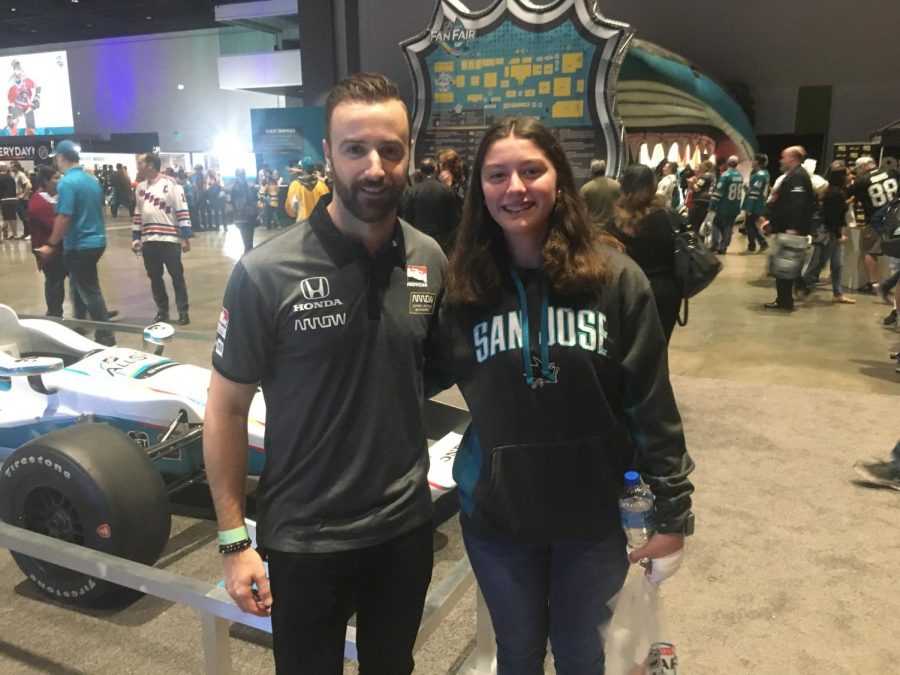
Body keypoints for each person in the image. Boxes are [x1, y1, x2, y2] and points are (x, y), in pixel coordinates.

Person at [203, 72, 449, 675]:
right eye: (355, 148)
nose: (374, 167)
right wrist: (235, 541)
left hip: (402, 532)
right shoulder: (267, 272)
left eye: (390, 150)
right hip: (304, 539)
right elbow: (225, 408)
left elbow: (433, 371)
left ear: (408, 153)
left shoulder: (429, 260)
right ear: (328, 155)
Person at [441, 117, 695, 673]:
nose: (515, 188)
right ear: (478, 189)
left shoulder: (616, 280)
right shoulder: (464, 289)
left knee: (583, 656)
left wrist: (674, 513)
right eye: (497, 174)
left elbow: (652, 405)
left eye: (532, 170)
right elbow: (402, 374)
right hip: (498, 516)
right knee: (519, 653)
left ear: (559, 179)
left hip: (593, 516)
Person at [34, 140, 115, 345]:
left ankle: (106, 335)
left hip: (80, 244)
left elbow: (64, 217)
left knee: (89, 290)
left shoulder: (67, 183)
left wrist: (51, 244)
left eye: (56, 159)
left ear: (62, 157)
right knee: (79, 285)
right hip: (97, 240)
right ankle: (80, 324)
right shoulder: (92, 180)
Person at [607, 164, 685, 342]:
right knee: (659, 348)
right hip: (666, 293)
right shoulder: (669, 218)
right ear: (653, 186)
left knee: (628, 349)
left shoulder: (614, 225)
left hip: (628, 293)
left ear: (624, 186)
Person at [132, 152, 192, 325]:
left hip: (170, 239)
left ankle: (183, 310)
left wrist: (185, 236)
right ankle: (162, 310)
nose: (138, 166)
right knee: (154, 277)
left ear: (150, 164)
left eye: (140, 162)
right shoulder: (140, 188)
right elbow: (138, 213)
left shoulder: (171, 184)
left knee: (176, 276)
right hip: (149, 239)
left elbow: (182, 209)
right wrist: (136, 236)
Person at [764, 145, 814, 311]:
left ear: (792, 158)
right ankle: (789, 295)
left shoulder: (797, 177)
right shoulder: (795, 175)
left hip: (791, 230)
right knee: (785, 267)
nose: (781, 160)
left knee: (785, 268)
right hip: (786, 228)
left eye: (783, 157)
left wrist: (792, 227)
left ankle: (785, 301)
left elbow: (797, 204)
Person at [800, 163, 855, 304]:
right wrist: (838, 235)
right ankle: (800, 287)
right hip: (830, 234)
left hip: (831, 232)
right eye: (848, 174)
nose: (851, 176)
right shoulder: (834, 195)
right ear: (841, 177)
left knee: (836, 264)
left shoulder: (834, 193)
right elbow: (832, 218)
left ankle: (837, 293)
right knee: (819, 264)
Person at [846, 156, 899, 294]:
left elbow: (845, 195)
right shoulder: (891, 173)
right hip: (897, 217)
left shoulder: (861, 181)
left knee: (870, 251)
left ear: (862, 167)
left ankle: (874, 285)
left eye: (858, 169)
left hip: (877, 220)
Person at [28, 165, 69, 317]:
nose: (61, 181)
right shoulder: (37, 203)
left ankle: (94, 312)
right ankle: (54, 316)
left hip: (65, 248)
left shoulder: (59, 197)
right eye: (56, 178)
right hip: (51, 252)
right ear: (45, 181)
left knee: (81, 282)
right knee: (54, 284)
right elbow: (55, 226)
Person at [401, 156, 460, 252]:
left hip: (419, 242)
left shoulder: (412, 191)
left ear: (420, 171)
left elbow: (407, 219)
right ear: (435, 169)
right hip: (443, 243)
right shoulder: (447, 190)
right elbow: (454, 219)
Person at [708, 155, 744, 254]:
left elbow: (718, 192)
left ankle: (714, 245)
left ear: (728, 163)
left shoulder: (725, 175)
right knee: (729, 226)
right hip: (735, 206)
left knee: (716, 224)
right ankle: (723, 247)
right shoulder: (740, 176)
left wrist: (712, 205)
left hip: (724, 206)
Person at [578, 158, 621, 228]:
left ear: (592, 171)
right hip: (613, 227)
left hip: (595, 228)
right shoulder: (617, 185)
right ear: (604, 170)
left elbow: (583, 211)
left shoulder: (586, 188)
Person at [741, 153, 770, 253]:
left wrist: (750, 208)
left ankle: (754, 246)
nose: (751, 162)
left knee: (750, 225)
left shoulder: (760, 175)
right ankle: (760, 243)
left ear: (757, 162)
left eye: (753, 160)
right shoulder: (759, 174)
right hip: (756, 203)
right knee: (751, 225)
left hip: (755, 205)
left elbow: (755, 193)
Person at [6, 59, 41, 137]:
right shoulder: (11, 85)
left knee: (30, 117)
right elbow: (11, 102)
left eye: (19, 68)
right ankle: (14, 135)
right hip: (17, 106)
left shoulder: (27, 79)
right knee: (12, 123)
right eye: (16, 68)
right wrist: (10, 114)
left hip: (27, 104)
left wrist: (37, 97)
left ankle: (30, 132)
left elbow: (38, 86)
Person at [229, 168, 258, 253]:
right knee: (246, 239)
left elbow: (255, 199)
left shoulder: (250, 187)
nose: (242, 177)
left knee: (250, 238)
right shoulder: (234, 188)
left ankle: (249, 252)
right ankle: (248, 252)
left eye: (243, 175)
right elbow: (232, 202)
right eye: (240, 175)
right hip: (241, 216)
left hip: (250, 215)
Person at [687, 159, 716, 232]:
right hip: (709, 201)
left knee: (694, 223)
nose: (700, 168)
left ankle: (695, 240)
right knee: (702, 223)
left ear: (706, 167)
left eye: (702, 166)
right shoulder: (714, 175)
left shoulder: (705, 176)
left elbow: (697, 188)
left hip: (700, 201)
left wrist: (691, 182)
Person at [0, 163, 18, 240]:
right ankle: (15, 234)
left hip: (4, 199)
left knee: (4, 218)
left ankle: (4, 235)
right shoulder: (11, 178)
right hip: (13, 199)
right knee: (13, 217)